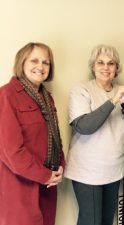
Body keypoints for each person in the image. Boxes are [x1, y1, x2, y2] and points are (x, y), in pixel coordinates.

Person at [64, 44, 124, 225]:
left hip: (114, 169)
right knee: (91, 221)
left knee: (107, 220)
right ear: (93, 66)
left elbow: (114, 133)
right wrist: (114, 100)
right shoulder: (81, 90)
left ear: (116, 68)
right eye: (100, 63)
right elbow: (84, 127)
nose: (106, 67)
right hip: (88, 170)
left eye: (111, 63)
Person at [0, 42, 65, 225]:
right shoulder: (7, 94)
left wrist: (60, 166)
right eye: (34, 60)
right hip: (19, 188)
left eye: (46, 62)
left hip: (48, 186)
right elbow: (10, 151)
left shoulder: (47, 97)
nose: (41, 66)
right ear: (22, 63)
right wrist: (44, 175)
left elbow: (55, 137)